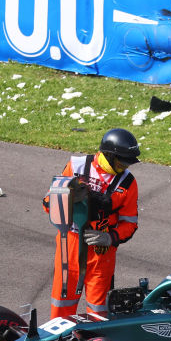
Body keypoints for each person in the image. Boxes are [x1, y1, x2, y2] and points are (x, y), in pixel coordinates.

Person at [43, 128, 140, 318]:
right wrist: (64, 198)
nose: (124, 167)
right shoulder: (76, 166)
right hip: (69, 246)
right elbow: (48, 204)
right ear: (108, 155)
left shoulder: (128, 183)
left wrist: (110, 237)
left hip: (101, 253)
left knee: (99, 311)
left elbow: (130, 224)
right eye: (121, 162)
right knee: (62, 303)